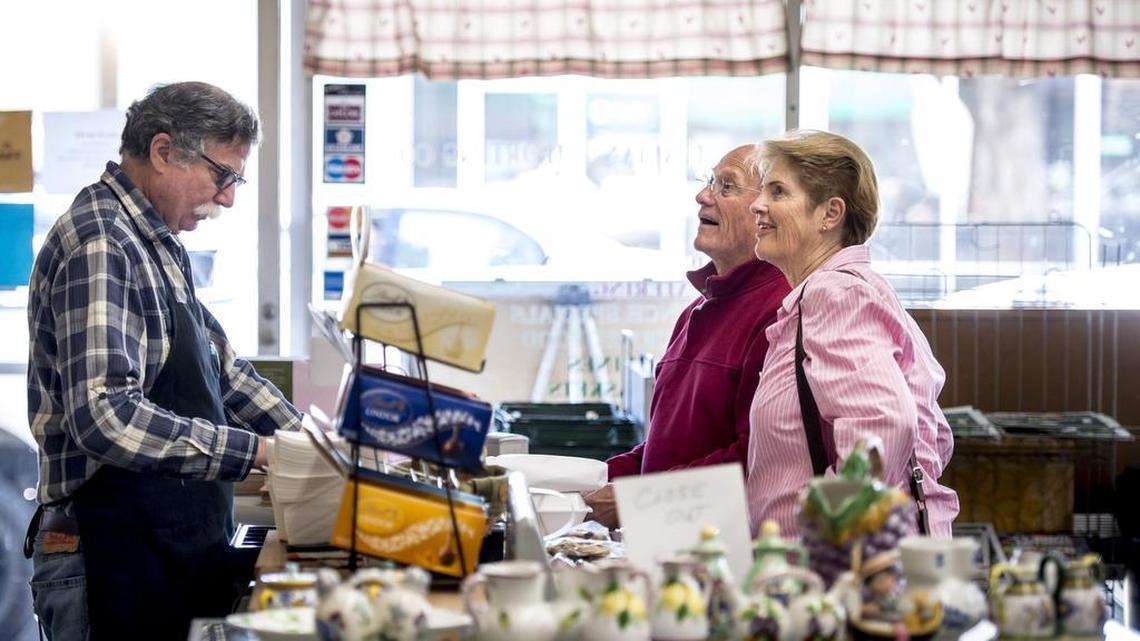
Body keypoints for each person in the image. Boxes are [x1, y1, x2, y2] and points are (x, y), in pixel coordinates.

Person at [25, 82, 302, 640]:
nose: (227, 198)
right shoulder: (102, 244)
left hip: (160, 549)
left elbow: (222, 370)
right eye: (222, 174)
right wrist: (259, 451)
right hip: (109, 556)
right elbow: (106, 418)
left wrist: (312, 445)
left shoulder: (156, 243)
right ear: (163, 151)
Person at [744, 130, 958, 538]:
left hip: (833, 578)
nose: (758, 204)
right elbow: (934, 437)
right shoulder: (847, 291)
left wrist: (833, 540)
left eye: (778, 192)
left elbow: (884, 424)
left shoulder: (836, 294)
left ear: (830, 214)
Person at [584, 145, 791, 527]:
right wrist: (591, 482)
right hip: (667, 538)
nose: (703, 196)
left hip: (721, 550)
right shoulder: (697, 311)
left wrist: (639, 501)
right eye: (709, 181)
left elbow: (758, 460)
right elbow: (669, 449)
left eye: (726, 186)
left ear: (766, 210)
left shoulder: (780, 312)